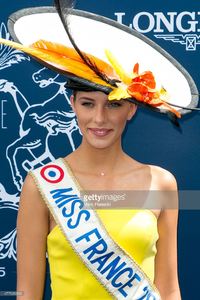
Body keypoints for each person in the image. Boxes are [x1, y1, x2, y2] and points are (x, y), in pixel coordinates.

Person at [1, 1, 198, 299]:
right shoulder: (40, 185)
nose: (100, 119)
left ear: (131, 110)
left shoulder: (161, 183)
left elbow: (170, 288)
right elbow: (27, 293)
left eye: (114, 105)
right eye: (87, 103)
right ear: (73, 105)